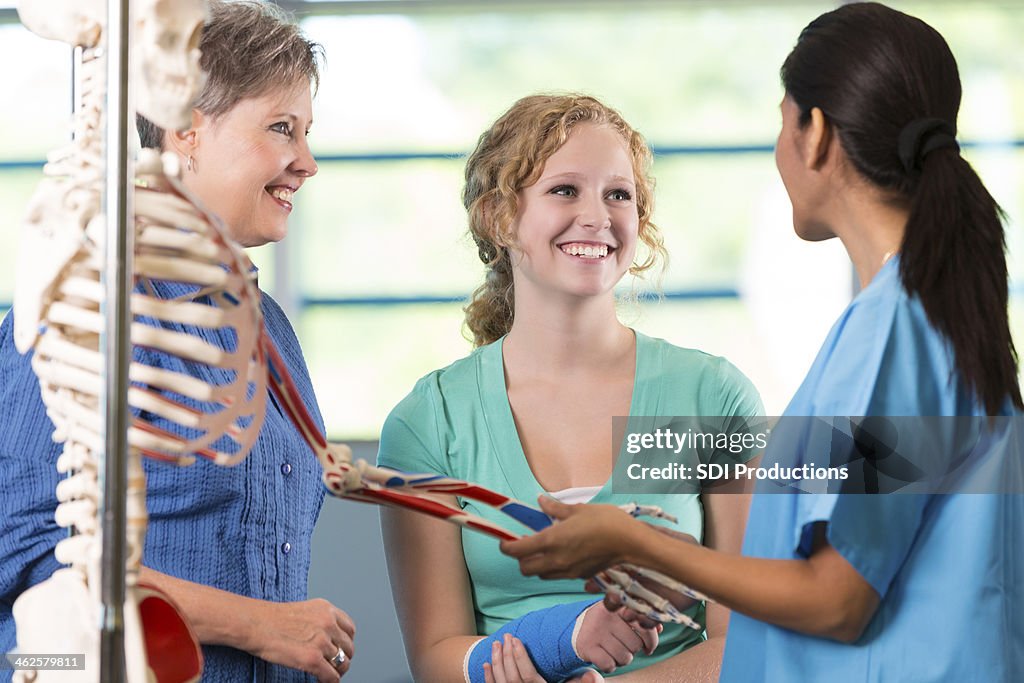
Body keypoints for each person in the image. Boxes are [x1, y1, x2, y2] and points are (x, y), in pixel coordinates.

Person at [501, 4, 1024, 682]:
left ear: (815, 135)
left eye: (782, 123)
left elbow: (838, 599)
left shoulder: (896, 329)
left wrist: (632, 540)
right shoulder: (906, 319)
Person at [0, 2, 355, 681]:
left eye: (307, 133)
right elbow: (19, 546)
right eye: (282, 128)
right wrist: (261, 624)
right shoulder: (85, 299)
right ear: (185, 129)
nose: (306, 161)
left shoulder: (271, 327)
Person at [377, 94, 763, 682]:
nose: (597, 216)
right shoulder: (430, 422)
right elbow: (435, 655)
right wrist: (537, 653)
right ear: (498, 218)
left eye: (619, 194)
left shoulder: (712, 397)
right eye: (565, 190)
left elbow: (752, 644)